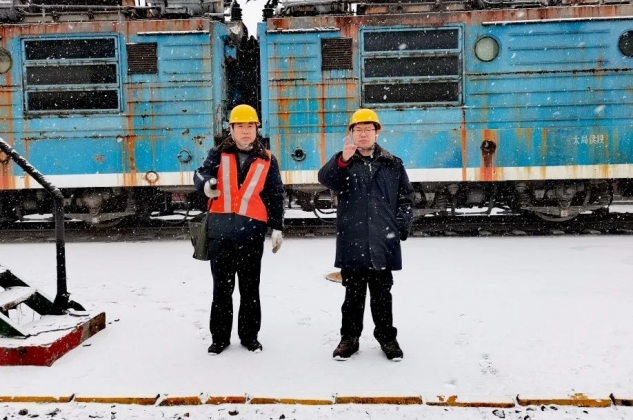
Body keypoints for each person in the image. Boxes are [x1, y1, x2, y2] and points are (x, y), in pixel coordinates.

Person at [318, 108, 414, 362]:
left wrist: (401, 226)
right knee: (353, 296)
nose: (363, 134)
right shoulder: (345, 162)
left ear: (377, 132)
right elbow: (326, 179)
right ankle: (349, 339)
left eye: (368, 129)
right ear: (351, 133)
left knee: (383, 295)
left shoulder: (393, 164)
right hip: (354, 239)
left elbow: (406, 198)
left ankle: (387, 339)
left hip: (384, 240)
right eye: (358, 130)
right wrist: (341, 160)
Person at [193, 104, 285, 355]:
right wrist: (205, 185)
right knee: (221, 289)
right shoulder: (217, 153)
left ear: (257, 128)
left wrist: (277, 226)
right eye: (240, 126)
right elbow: (200, 174)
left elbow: (276, 195)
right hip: (220, 234)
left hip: (251, 234)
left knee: (250, 289)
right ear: (230, 129)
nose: (245, 131)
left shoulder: (267, 158)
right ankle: (219, 338)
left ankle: (249, 337)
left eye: (250, 126)